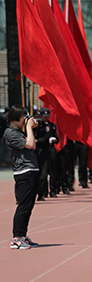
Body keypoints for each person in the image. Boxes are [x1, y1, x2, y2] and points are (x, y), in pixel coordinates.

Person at [4, 105, 40, 249]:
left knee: (29, 206)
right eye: (23, 117)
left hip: (31, 170)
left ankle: (23, 236)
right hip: (23, 172)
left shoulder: (19, 132)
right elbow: (30, 144)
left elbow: (34, 145)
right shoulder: (10, 133)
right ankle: (16, 238)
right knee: (23, 206)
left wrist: (30, 129)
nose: (26, 119)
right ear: (16, 117)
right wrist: (29, 129)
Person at [33, 108, 58, 200]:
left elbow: (47, 137)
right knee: (36, 175)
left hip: (46, 151)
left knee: (44, 175)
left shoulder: (48, 126)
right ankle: (39, 192)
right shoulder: (33, 127)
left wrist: (37, 140)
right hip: (35, 152)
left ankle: (43, 193)